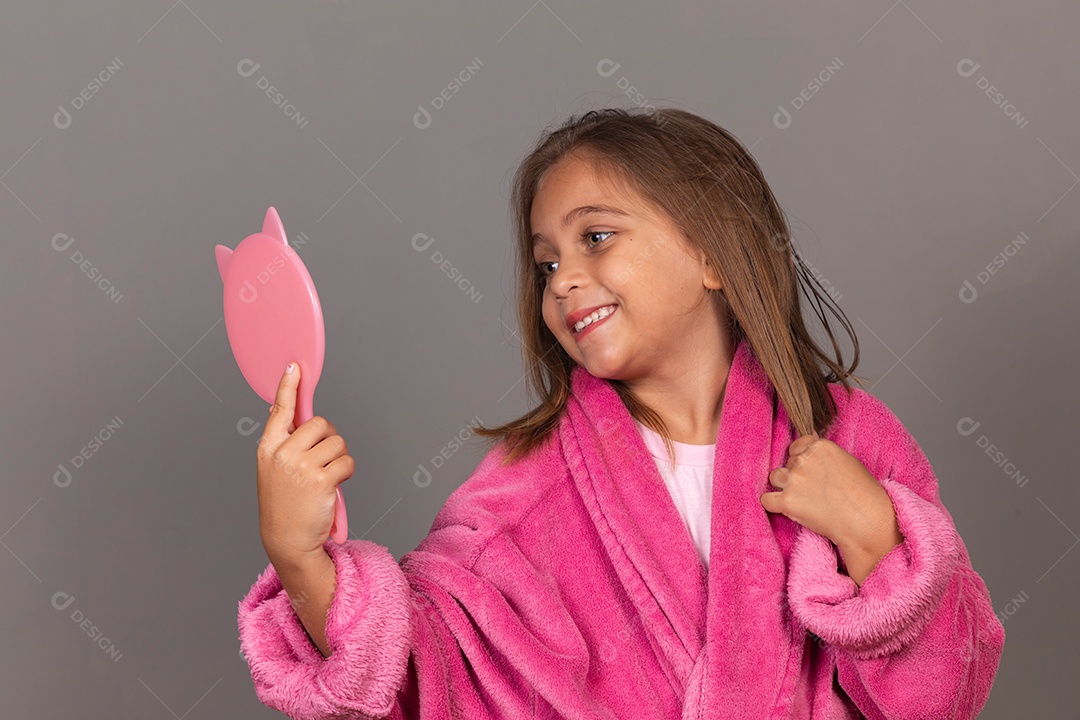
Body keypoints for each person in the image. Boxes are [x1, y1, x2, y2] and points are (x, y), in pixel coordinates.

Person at [238, 107, 1005, 719]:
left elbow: (946, 694)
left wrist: (876, 541)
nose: (565, 280)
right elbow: (417, 678)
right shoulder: (524, 489)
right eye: (546, 264)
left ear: (712, 253)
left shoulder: (847, 439)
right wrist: (300, 559)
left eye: (595, 238)